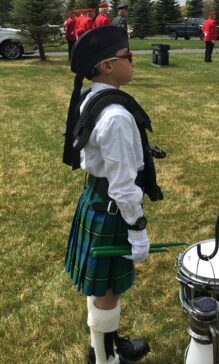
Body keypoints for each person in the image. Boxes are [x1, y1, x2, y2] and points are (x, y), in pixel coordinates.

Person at [63, 26, 154, 363]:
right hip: (112, 208)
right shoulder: (115, 116)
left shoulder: (92, 96)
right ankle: (105, 359)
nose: (134, 61)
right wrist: (138, 230)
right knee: (108, 292)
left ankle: (104, 345)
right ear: (107, 66)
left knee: (100, 287)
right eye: (128, 56)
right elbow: (122, 185)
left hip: (95, 199)